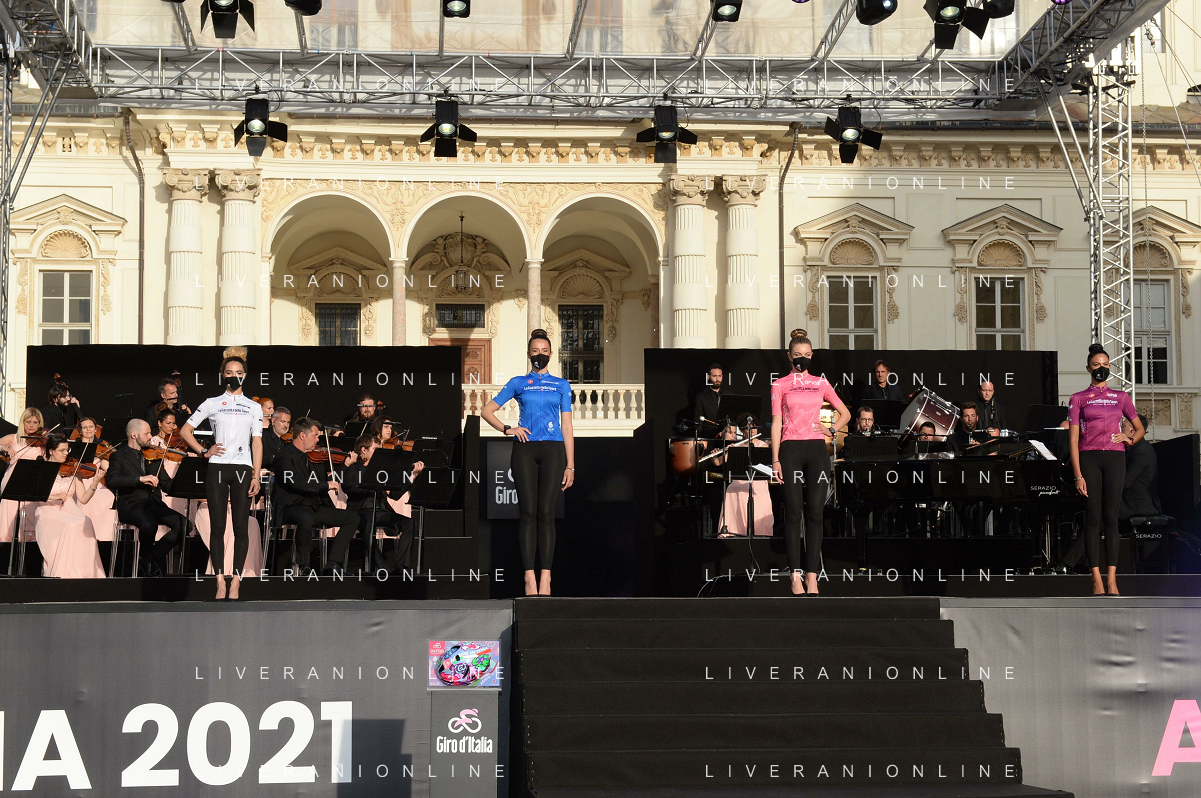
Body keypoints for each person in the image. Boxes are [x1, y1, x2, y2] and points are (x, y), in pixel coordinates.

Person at [480, 328, 575, 596]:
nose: (539, 355)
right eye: (535, 351)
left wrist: (571, 465)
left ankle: (546, 577)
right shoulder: (518, 382)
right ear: (529, 354)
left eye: (544, 351)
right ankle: (529, 578)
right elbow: (487, 410)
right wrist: (507, 428)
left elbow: (567, 426)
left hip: (553, 449)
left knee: (546, 513)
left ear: (551, 355)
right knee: (528, 513)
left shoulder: (561, 385)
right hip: (524, 449)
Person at [770, 329, 850, 596]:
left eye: (805, 355)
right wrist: (775, 459)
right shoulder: (779, 385)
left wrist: (831, 430)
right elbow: (777, 423)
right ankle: (795, 576)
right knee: (794, 512)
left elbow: (845, 413)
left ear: (812, 356)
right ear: (789, 356)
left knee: (815, 512)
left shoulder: (821, 383)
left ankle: (812, 576)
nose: (801, 359)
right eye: (797, 355)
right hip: (790, 449)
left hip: (816, 449)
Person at [179, 354, 263, 600]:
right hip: (217, 467)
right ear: (222, 375)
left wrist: (256, 475)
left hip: (242, 468)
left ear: (244, 375)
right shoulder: (212, 403)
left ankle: (236, 580)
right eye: (229, 372)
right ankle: (219, 580)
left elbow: (257, 443)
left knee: (240, 527)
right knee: (217, 527)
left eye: (238, 372)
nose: (233, 376)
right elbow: (185, 430)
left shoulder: (254, 407)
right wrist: (203, 451)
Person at [1069, 343, 1143, 596]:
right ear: (1088, 368)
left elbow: (1139, 428)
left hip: (1115, 458)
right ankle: (1095, 579)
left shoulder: (1121, 397)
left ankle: (1111, 578)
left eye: (1105, 365)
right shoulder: (1078, 398)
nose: (1101, 368)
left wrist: (1129, 439)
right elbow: (1073, 440)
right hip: (1089, 458)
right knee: (1093, 518)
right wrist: (1078, 475)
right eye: (1096, 365)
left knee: (1112, 518)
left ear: (1110, 367)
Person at [272, 417, 361, 576]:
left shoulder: (315, 457)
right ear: (302, 436)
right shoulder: (284, 456)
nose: (318, 440)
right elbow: (296, 481)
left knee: (352, 518)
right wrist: (326, 485)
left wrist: (345, 465)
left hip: (313, 506)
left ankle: (332, 564)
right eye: (315, 436)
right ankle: (304, 566)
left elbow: (329, 481)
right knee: (305, 517)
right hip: (290, 506)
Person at [105, 419, 186, 577]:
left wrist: (184, 478)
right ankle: (147, 562)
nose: (151, 436)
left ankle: (148, 559)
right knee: (149, 525)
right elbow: (112, 481)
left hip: (153, 504)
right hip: (132, 505)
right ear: (134, 435)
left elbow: (166, 484)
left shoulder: (154, 455)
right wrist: (139, 479)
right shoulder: (118, 456)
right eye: (147, 433)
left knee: (184, 525)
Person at [341, 434, 425, 573]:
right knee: (367, 526)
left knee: (409, 523)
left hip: (381, 511)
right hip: (361, 512)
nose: (380, 453)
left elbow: (395, 495)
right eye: (376, 449)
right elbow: (347, 486)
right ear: (364, 450)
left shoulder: (381, 470)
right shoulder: (354, 467)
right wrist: (370, 485)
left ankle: (401, 567)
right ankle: (383, 569)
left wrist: (413, 475)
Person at [34, 433, 107, 578]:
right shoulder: (42, 469)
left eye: (67, 450)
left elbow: (83, 499)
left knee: (85, 521)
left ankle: (84, 573)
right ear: (51, 451)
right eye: (62, 450)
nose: (66, 453)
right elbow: (35, 494)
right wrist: (54, 496)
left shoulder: (72, 470)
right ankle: (66, 573)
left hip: (70, 510)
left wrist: (94, 482)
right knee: (72, 525)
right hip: (48, 511)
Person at [0, 408, 47, 544]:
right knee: (8, 514)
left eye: (35, 422)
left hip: (32, 480)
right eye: (28, 422)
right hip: (13, 479)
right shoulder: (13, 438)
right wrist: (5, 448)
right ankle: (4, 545)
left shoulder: (42, 441)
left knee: (31, 515)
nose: (31, 425)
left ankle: (29, 546)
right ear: (23, 422)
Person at [1119, 415, 1161, 520]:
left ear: (1132, 431)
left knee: (1097, 516)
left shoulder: (1142, 451)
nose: (1120, 429)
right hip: (1130, 502)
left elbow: (1125, 482)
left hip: (1138, 506)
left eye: (1123, 426)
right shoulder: (1135, 448)